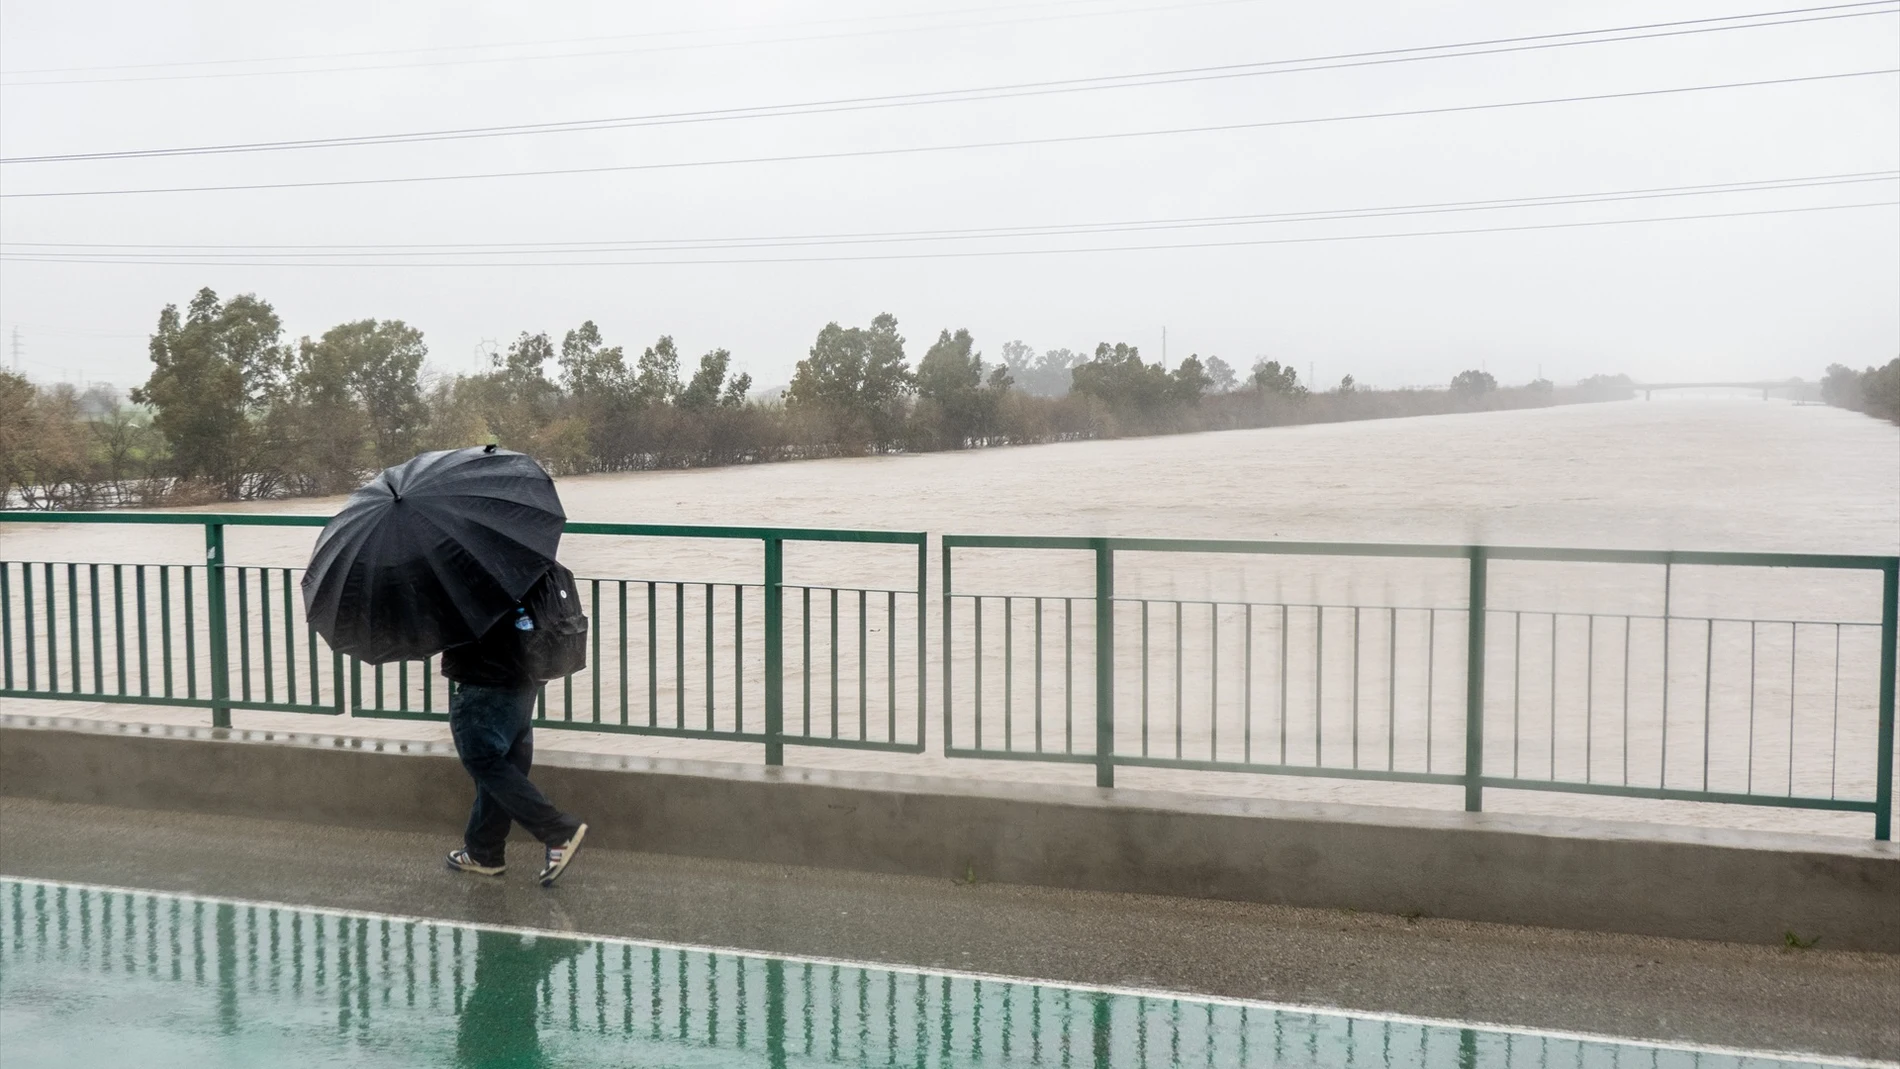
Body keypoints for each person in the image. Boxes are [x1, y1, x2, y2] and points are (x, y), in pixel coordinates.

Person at [440, 570, 588, 888]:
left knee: (484, 760)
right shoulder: (519, 563)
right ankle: (484, 851)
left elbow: (454, 625)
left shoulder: (467, 572)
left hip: (487, 679)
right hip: (523, 677)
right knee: (502, 765)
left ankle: (558, 831)